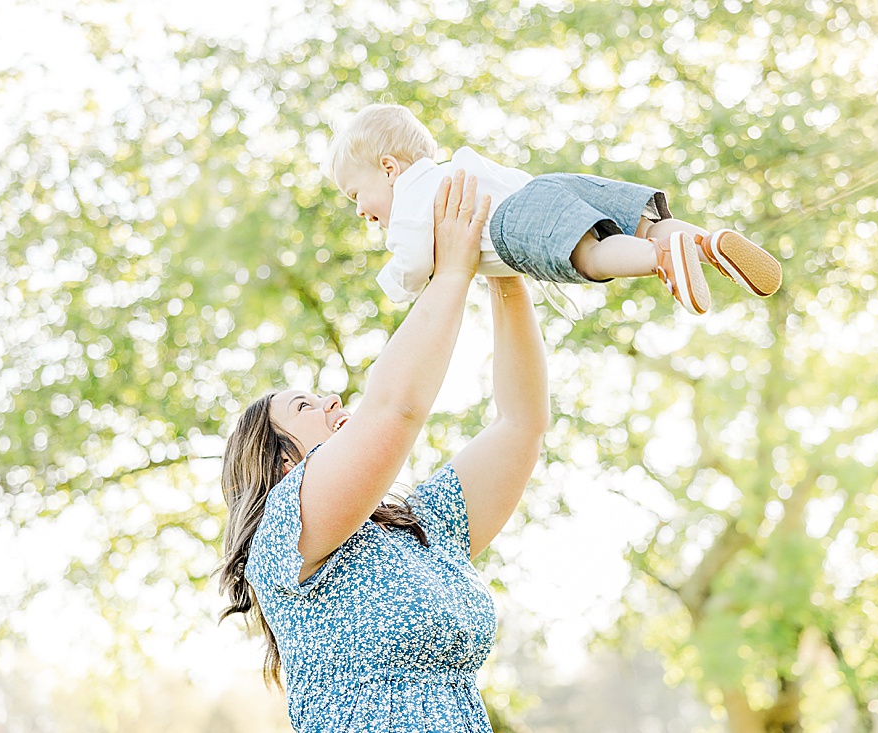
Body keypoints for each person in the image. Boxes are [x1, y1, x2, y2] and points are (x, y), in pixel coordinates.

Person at [218, 171, 549, 733]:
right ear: (282, 464)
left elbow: (522, 424)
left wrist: (503, 271)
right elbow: (394, 409)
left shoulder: (424, 531)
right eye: (303, 407)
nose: (330, 398)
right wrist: (451, 272)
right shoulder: (283, 534)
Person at [324, 103, 783, 316]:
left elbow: (411, 265)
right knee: (641, 224)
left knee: (590, 254)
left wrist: (396, 287)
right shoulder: (457, 171)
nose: (362, 212)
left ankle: (664, 259)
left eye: (354, 195)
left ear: (388, 168)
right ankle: (706, 243)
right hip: (545, 186)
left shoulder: (410, 199)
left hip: (513, 223)